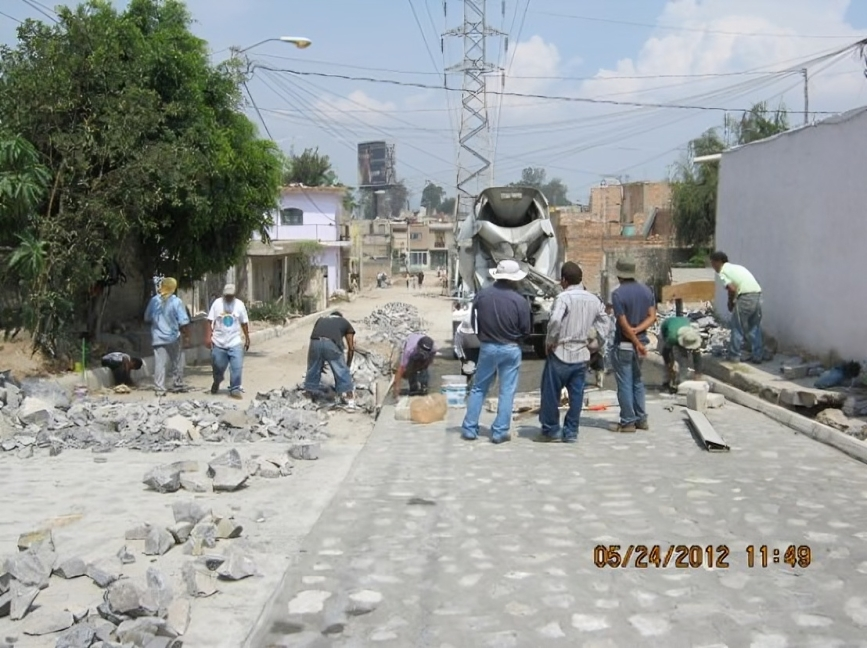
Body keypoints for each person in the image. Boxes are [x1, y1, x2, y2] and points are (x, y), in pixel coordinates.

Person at [537, 262, 609, 444]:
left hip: (560, 351)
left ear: (564, 280)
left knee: (550, 393)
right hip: (581, 354)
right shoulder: (594, 300)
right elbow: (605, 324)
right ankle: (571, 432)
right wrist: (596, 344)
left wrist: (550, 340)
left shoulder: (563, 298)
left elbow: (555, 320)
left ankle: (551, 429)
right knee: (576, 396)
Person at [461, 259, 532, 444]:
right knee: (507, 390)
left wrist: (482, 337)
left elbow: (473, 321)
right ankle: (499, 432)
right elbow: (526, 329)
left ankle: (469, 428)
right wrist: (518, 339)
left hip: (488, 346)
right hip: (511, 347)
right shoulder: (520, 300)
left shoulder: (482, 296)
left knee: (479, 388)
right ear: (514, 279)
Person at [610, 259, 656, 433]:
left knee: (624, 383)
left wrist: (634, 339)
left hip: (624, 344)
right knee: (637, 381)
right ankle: (642, 419)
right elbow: (652, 316)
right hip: (642, 341)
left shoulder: (618, 294)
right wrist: (638, 331)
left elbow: (623, 325)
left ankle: (628, 421)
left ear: (619, 275)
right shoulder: (647, 290)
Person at [709, 251, 763, 364]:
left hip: (745, 297)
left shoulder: (723, 271)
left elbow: (732, 288)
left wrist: (730, 302)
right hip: (757, 295)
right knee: (754, 327)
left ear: (719, 262)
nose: (713, 267)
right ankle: (757, 356)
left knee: (737, 327)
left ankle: (734, 356)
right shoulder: (737, 267)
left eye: (713, 264)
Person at [144, 277, 190, 397]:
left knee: (160, 363)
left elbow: (147, 317)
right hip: (173, 337)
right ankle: (177, 384)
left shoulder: (154, 301)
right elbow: (183, 321)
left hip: (158, 337)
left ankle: (159, 388)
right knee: (177, 361)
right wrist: (186, 336)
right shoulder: (176, 302)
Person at [206, 284, 251, 400]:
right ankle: (217, 380)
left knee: (237, 366)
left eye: (231, 296)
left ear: (234, 295)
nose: (229, 298)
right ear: (223, 295)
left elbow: (244, 323)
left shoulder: (239, 305)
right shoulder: (217, 304)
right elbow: (210, 321)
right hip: (219, 342)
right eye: (227, 296)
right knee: (218, 366)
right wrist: (208, 337)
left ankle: (235, 388)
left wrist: (247, 337)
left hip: (234, 341)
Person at [304, 310, 356, 408]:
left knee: (313, 367)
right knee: (340, 369)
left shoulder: (321, 320)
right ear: (340, 317)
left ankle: (308, 393)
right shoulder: (344, 322)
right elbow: (351, 348)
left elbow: (318, 334)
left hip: (315, 342)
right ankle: (349, 396)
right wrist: (347, 365)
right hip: (330, 344)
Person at [659, 316, 703, 393]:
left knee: (683, 359)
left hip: (682, 329)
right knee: (670, 363)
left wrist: (697, 376)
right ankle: (666, 382)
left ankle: (680, 381)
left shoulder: (693, 336)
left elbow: (697, 358)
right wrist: (670, 367)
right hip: (666, 329)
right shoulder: (672, 337)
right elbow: (665, 353)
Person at [454, 308, 480, 384]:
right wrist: (463, 359)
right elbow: (457, 347)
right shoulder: (459, 331)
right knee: (467, 370)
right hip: (467, 349)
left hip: (481, 347)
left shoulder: (484, 328)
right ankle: (465, 385)